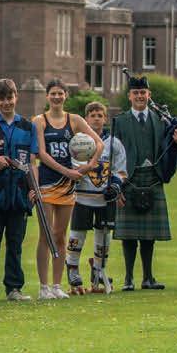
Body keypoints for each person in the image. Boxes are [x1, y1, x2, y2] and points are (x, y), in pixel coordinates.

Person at [111, 74, 177, 291]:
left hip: (153, 178)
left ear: (149, 95)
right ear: (129, 96)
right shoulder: (119, 121)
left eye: (143, 93)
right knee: (129, 236)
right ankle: (128, 279)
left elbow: (170, 149)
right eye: (136, 93)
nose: (140, 96)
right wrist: (116, 187)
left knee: (148, 236)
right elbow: (112, 155)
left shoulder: (160, 121)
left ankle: (148, 278)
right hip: (128, 179)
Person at [32, 80, 103, 300]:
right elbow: (41, 154)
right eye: (53, 93)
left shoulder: (75, 120)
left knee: (60, 236)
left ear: (66, 95)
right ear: (47, 96)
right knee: (45, 235)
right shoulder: (39, 121)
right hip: (47, 183)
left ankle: (56, 285)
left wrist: (89, 165)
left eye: (60, 93)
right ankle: (44, 287)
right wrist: (67, 171)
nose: (56, 97)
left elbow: (99, 144)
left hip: (67, 186)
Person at [0, 78, 39, 302]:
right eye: (1, 98)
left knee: (15, 244)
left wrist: (34, 189)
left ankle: (14, 288)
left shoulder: (28, 127)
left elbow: (32, 162)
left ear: (16, 97)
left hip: (19, 195)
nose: (6, 102)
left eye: (9, 97)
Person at [66, 102, 127, 295]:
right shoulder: (78, 141)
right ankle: (72, 268)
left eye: (100, 115)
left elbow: (120, 170)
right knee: (77, 234)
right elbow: (71, 167)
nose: (96, 118)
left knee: (104, 236)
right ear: (86, 118)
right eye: (92, 115)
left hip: (104, 199)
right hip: (82, 197)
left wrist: (115, 186)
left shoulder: (114, 143)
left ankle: (99, 270)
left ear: (105, 118)